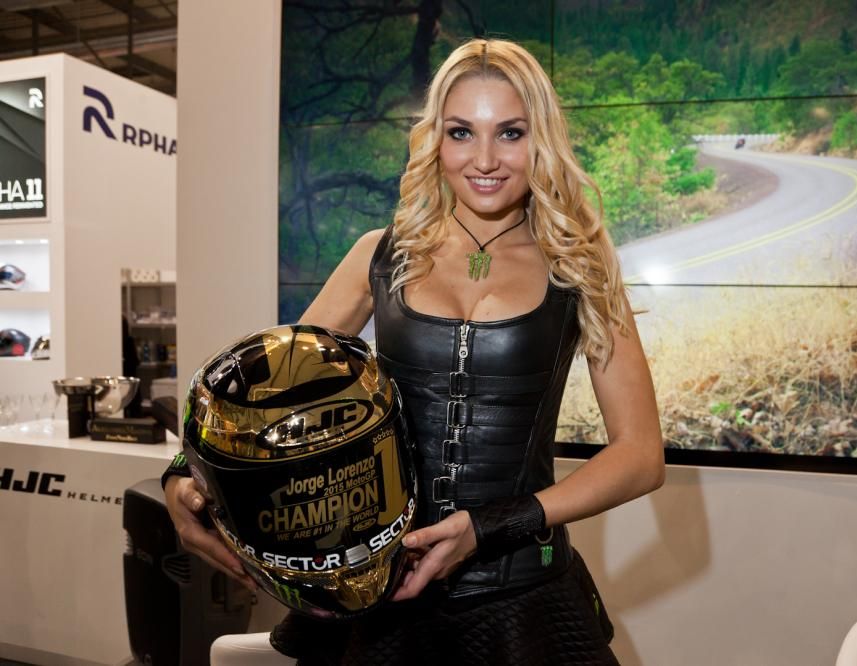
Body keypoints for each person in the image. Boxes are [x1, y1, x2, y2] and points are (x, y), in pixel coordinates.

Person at [164, 38, 664, 664]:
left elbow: (641, 455)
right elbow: (273, 399)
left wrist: (488, 527)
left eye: (510, 133)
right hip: (383, 600)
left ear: (541, 139)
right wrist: (184, 473)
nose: (485, 159)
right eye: (461, 132)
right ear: (436, 140)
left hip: (521, 598)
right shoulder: (379, 256)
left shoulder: (581, 267)